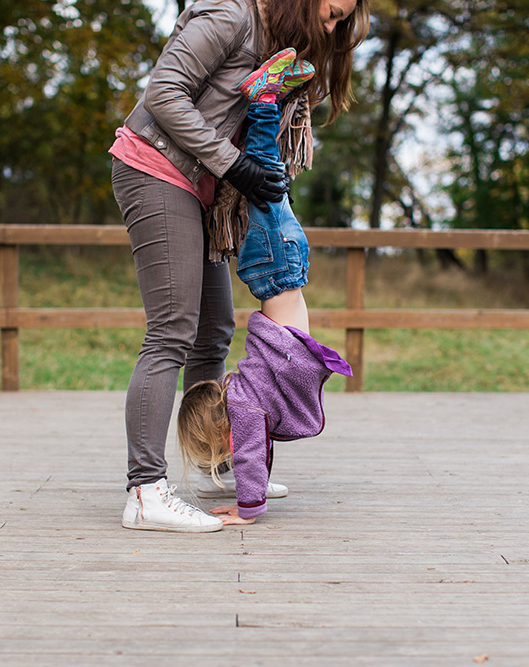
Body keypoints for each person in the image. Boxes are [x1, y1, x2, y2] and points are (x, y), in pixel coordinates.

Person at [111, 0, 370, 533]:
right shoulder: (230, 15)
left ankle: (212, 462)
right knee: (171, 332)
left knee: (214, 335)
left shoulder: (276, 43)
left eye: (343, 20)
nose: (333, 25)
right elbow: (163, 94)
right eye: (332, 13)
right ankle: (145, 491)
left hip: (197, 186)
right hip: (155, 167)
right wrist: (234, 165)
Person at [176, 53, 353, 525]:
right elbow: (261, 454)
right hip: (279, 268)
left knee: (264, 174)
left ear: (219, 433)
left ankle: (264, 96)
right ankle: (270, 96)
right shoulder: (249, 402)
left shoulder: (247, 408)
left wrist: (246, 511)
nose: (227, 458)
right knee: (268, 180)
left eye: (217, 453)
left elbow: (253, 458)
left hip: (277, 268)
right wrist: (250, 498)